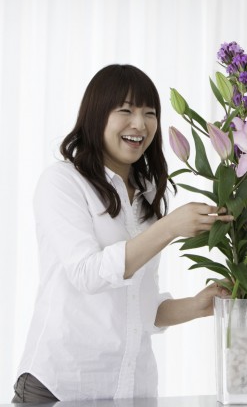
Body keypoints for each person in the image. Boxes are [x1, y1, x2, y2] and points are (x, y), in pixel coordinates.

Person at [12, 64, 233, 403]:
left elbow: (138, 307)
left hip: (131, 389)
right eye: (125, 111)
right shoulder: (63, 182)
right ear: (97, 115)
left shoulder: (148, 194)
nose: (140, 124)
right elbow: (88, 273)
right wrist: (169, 228)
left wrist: (197, 305)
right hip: (61, 386)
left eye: (149, 113)